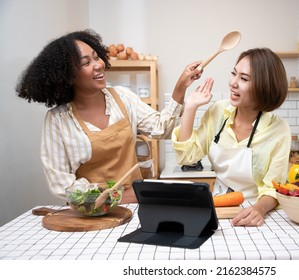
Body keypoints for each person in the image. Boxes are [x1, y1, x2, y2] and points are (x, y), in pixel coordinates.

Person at [15, 29, 202, 204]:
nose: (98, 65)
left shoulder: (122, 97)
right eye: (86, 63)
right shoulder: (58, 120)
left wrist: (180, 87)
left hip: (135, 207)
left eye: (96, 57)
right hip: (90, 212)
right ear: (67, 76)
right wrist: (114, 198)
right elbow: (62, 184)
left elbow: (163, 128)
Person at [172, 48, 291, 227]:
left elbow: (273, 188)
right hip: (218, 209)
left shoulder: (278, 129)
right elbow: (186, 156)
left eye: (243, 79)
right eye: (233, 74)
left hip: (257, 214)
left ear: (264, 85)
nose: (233, 83)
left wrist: (259, 209)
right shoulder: (218, 112)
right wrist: (190, 107)